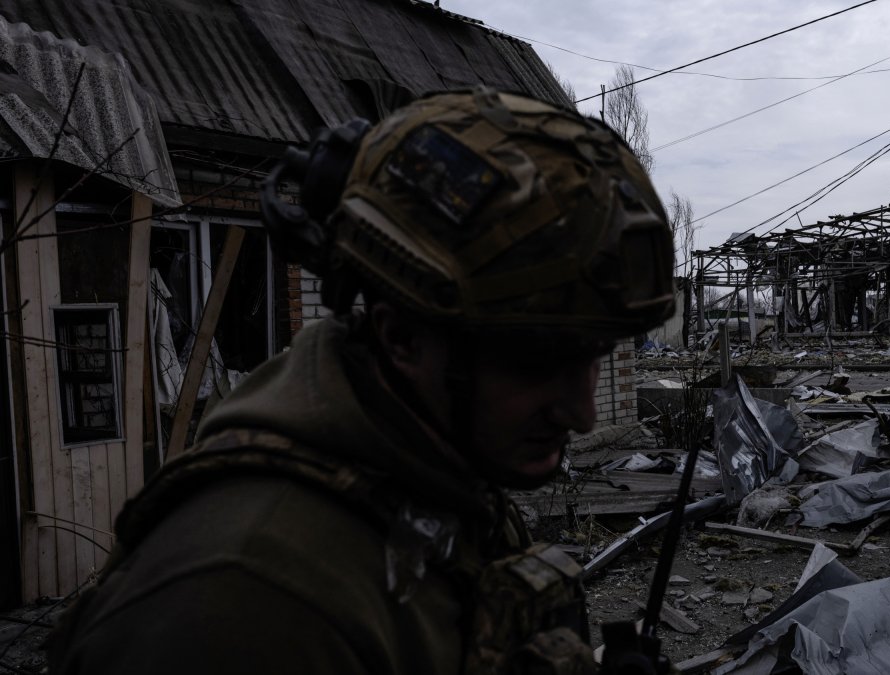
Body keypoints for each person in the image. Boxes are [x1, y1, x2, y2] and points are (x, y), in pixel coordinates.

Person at [47, 88, 675, 674]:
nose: (584, 413)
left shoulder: (427, 474)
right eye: (537, 360)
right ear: (402, 337)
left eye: (595, 353)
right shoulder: (243, 602)